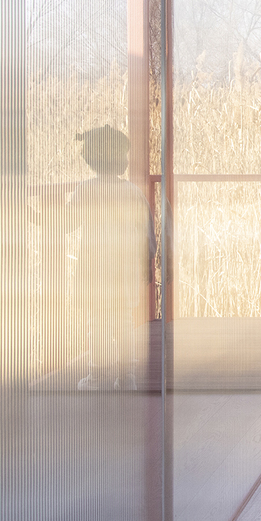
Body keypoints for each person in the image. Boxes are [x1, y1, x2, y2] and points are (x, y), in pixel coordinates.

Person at [68, 126, 155, 392]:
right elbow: (146, 232)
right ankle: (126, 376)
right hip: (126, 269)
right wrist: (146, 265)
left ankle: (96, 376)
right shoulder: (133, 192)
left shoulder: (86, 189)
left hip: (96, 271)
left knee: (98, 321)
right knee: (125, 320)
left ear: (91, 158)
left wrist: (36, 216)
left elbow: (66, 223)